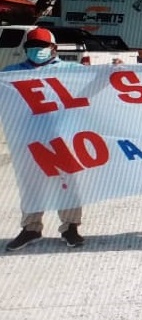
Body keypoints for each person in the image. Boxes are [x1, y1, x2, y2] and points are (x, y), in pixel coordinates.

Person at [2, 27, 85, 251]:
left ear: (54, 49)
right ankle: (31, 228)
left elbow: (99, 80)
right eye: (31, 47)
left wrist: (116, 70)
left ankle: (70, 228)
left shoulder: (71, 71)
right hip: (27, 140)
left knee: (67, 184)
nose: (36, 50)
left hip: (62, 139)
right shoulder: (11, 73)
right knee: (30, 184)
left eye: (42, 47)